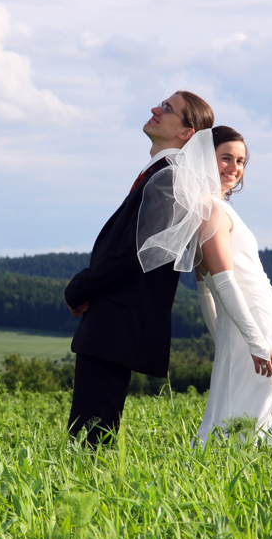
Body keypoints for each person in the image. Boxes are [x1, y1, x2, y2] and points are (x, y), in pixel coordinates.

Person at [137, 126, 272, 450]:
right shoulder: (211, 211)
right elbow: (219, 282)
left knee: (256, 404)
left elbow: (206, 291)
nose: (234, 168)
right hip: (257, 325)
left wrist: (222, 339)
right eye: (225, 158)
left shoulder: (211, 209)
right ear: (206, 160)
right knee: (257, 409)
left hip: (251, 325)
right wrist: (254, 341)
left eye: (240, 161)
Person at [65, 91, 215, 445]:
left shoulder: (170, 178)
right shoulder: (162, 173)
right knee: (88, 429)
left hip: (118, 320)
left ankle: (89, 498)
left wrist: (80, 287)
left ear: (187, 133)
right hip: (113, 316)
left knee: (90, 436)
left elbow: (138, 252)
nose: (154, 109)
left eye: (167, 109)